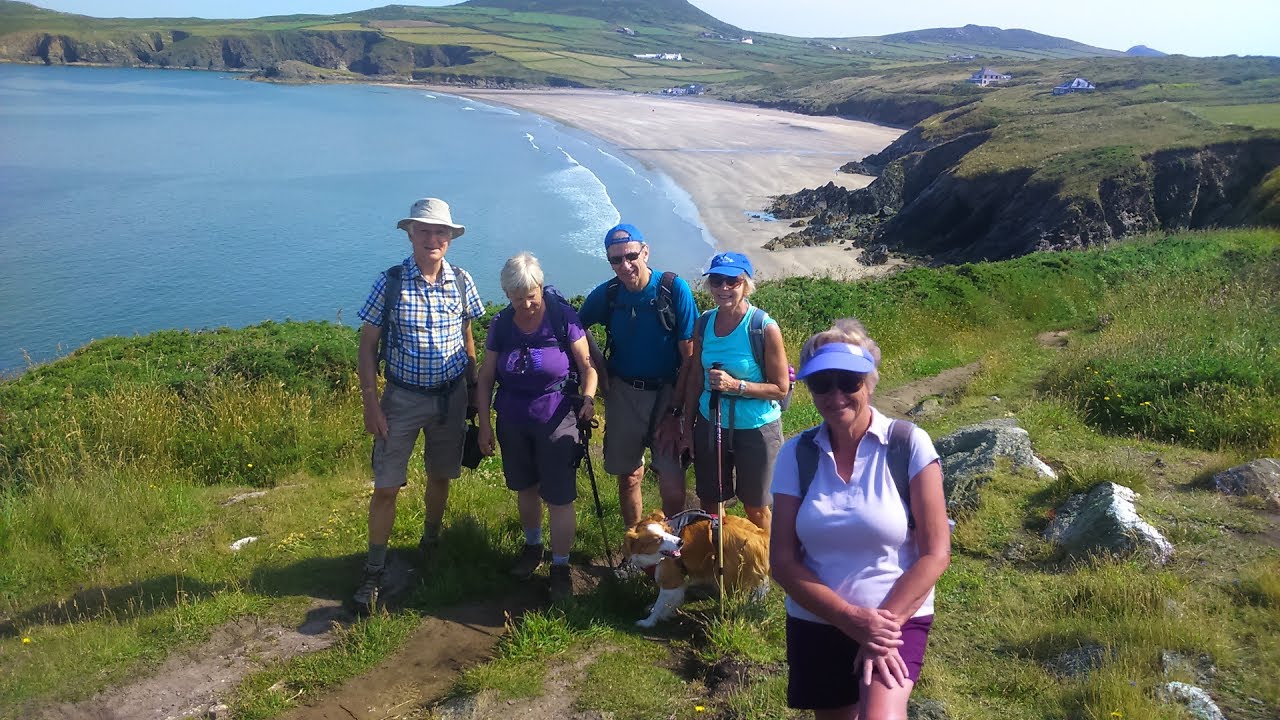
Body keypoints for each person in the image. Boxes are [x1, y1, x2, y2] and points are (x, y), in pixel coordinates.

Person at [770, 318, 951, 720]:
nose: (835, 395)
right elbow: (782, 560)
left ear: (869, 383)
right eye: (821, 383)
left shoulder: (908, 444)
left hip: (895, 617)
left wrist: (878, 630)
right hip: (817, 619)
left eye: (848, 382)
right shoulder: (795, 455)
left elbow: (936, 553)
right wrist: (851, 620)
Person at [352, 197, 485, 612]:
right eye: (425, 230)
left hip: (450, 397)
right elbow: (367, 346)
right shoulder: (389, 281)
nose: (433, 238)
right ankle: (374, 571)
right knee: (386, 485)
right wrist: (371, 404)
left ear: (450, 238)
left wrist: (475, 395)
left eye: (440, 232)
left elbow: (468, 340)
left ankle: (430, 542)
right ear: (410, 233)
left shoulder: (462, 280)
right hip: (401, 399)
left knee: (441, 475)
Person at [473, 253, 598, 602]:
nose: (526, 304)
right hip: (512, 420)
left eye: (531, 295)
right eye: (517, 298)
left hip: (558, 418)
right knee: (525, 488)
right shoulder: (501, 324)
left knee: (559, 496)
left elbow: (588, 367)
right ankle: (533, 548)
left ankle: (560, 565)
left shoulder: (562, 317)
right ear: (507, 295)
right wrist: (484, 425)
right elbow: (485, 378)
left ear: (540, 287)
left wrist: (588, 399)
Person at [578, 223, 698, 528]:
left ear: (645, 252)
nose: (625, 265)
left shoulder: (673, 288)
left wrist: (677, 410)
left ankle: (674, 549)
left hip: (668, 394)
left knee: (671, 479)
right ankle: (635, 547)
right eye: (616, 260)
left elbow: (691, 358)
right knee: (629, 475)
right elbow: (574, 327)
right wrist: (600, 372)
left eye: (631, 256)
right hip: (624, 394)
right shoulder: (609, 294)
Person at [679, 252, 789, 535]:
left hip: (756, 427)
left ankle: (762, 569)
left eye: (733, 281)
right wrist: (687, 428)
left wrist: (735, 385)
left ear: (746, 284)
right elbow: (695, 377)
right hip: (710, 421)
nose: (724, 288)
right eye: (717, 280)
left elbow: (780, 388)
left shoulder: (763, 327)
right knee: (711, 502)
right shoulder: (703, 323)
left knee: (756, 507)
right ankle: (720, 560)